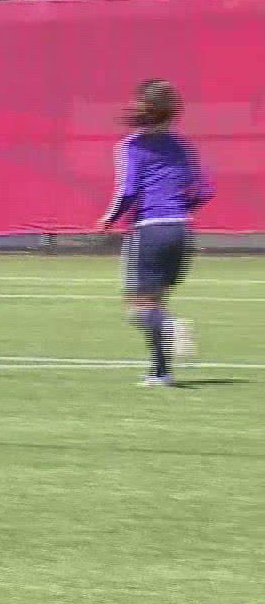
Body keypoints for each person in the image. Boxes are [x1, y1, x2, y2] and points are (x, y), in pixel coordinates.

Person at [96, 79, 210, 388]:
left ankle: (171, 328)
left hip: (149, 230)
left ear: (143, 107)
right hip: (181, 230)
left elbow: (128, 190)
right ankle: (161, 373)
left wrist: (109, 218)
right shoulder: (182, 146)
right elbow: (203, 190)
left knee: (139, 309)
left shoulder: (133, 145)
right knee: (154, 303)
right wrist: (181, 210)